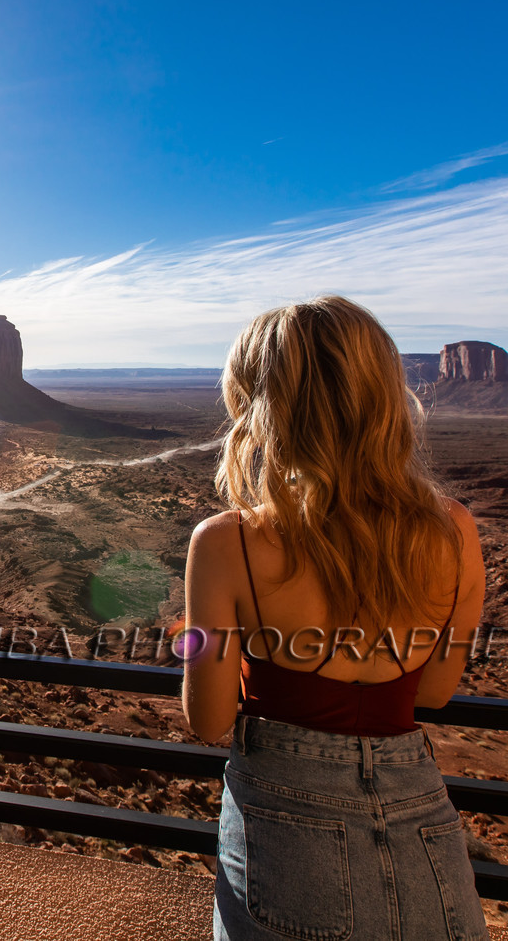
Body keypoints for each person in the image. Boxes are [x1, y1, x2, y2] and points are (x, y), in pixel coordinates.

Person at [181, 296, 488, 940]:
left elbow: (208, 722)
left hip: (286, 836)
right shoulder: (454, 531)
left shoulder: (227, 541)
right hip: (425, 830)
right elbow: (432, 690)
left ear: (262, 406)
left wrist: (198, 642)